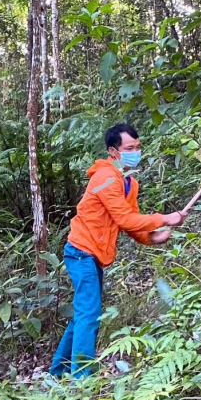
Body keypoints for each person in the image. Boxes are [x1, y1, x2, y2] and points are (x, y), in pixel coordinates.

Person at [49, 123, 187, 378]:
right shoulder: (105, 178)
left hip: (94, 256)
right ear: (113, 151)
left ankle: (57, 372)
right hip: (81, 252)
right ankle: (82, 381)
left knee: (84, 313)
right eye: (129, 148)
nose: (136, 152)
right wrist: (164, 218)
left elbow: (131, 222)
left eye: (138, 147)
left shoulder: (128, 183)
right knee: (89, 314)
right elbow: (124, 219)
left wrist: (152, 239)